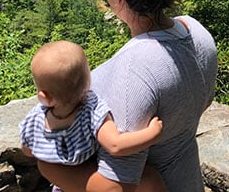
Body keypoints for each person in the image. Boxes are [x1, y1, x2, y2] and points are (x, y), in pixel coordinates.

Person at [37, 0, 218, 192]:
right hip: (185, 179)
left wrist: (48, 166)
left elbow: (116, 186)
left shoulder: (134, 69)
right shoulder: (196, 31)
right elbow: (204, 103)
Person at [20, 40, 166, 192]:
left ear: (44, 97)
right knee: (151, 179)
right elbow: (115, 145)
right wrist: (152, 133)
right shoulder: (91, 111)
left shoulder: (36, 118)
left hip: (63, 186)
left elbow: (27, 150)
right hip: (95, 178)